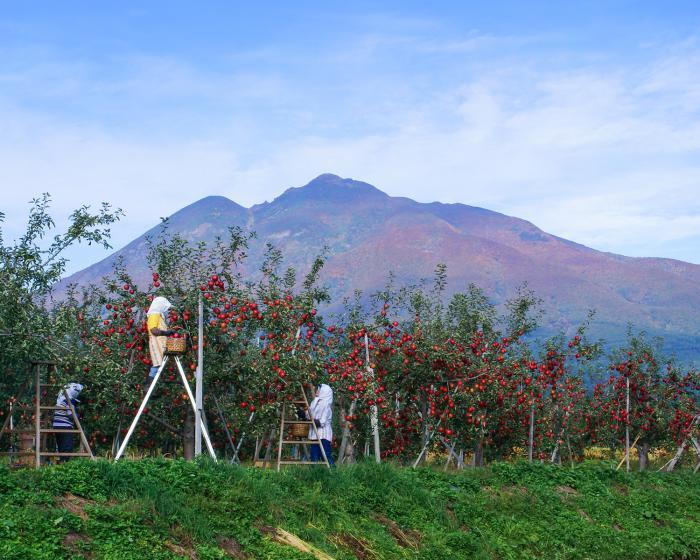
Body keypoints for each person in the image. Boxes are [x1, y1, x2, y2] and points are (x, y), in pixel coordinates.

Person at [146, 296, 177, 385]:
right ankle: (148, 386)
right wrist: (167, 333)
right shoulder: (154, 314)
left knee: (159, 364)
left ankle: (150, 386)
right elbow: (153, 330)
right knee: (157, 364)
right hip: (156, 343)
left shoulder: (159, 315)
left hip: (160, 343)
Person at [53, 382, 84, 462]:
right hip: (65, 427)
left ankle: (61, 463)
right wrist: (77, 416)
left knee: (60, 446)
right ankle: (65, 463)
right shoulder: (69, 401)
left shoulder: (60, 400)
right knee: (67, 446)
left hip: (56, 426)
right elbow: (71, 414)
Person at [308, 384, 334, 466]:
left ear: (324, 392)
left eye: (319, 389)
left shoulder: (326, 405)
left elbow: (322, 422)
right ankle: (314, 474)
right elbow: (309, 414)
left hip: (323, 435)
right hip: (314, 435)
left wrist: (311, 420)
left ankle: (333, 473)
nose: (317, 390)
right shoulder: (314, 402)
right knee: (314, 456)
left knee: (326, 456)